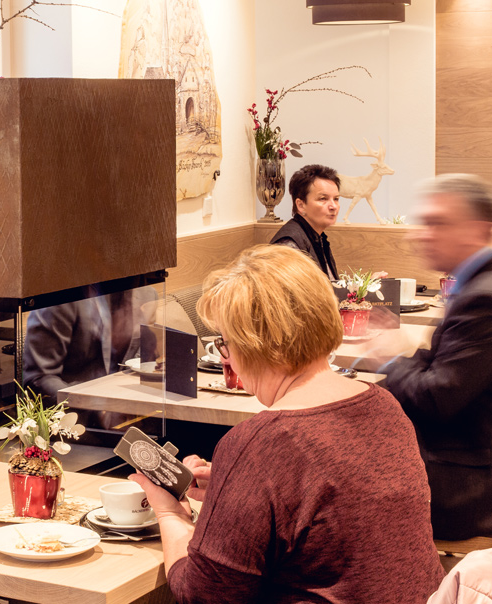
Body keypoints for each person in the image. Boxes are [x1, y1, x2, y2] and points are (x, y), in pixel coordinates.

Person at [131, 245, 443, 603]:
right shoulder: (384, 405)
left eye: (225, 343)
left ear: (254, 344)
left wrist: (170, 513)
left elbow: (205, 597)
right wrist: (239, 490)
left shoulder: (262, 442)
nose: (224, 358)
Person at [379, 174, 492, 541]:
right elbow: (430, 365)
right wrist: (410, 361)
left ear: (477, 231)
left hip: (468, 489)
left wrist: (393, 356)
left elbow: (436, 396)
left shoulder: (483, 297)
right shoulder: (474, 284)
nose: (419, 234)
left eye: (436, 223)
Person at [23, 287, 156, 405]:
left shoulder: (147, 294)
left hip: (134, 409)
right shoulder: (59, 300)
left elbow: (148, 362)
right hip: (75, 418)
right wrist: (98, 405)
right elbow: (39, 379)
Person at [270, 164, 340, 279]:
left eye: (336, 199)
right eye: (323, 199)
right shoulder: (288, 245)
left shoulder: (318, 237)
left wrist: (368, 285)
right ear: (301, 205)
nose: (333, 206)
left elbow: (331, 288)